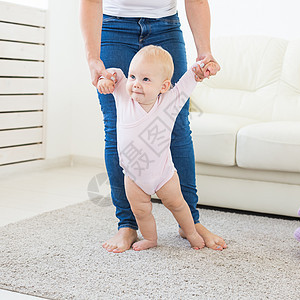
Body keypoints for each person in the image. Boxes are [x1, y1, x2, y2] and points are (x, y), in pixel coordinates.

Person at [80, 0, 227, 252]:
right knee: (115, 128)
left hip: (166, 26)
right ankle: (127, 225)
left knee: (178, 126)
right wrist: (93, 58)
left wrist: (205, 53)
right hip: (114, 28)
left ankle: (189, 222)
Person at [98, 45, 208, 250]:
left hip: (163, 173)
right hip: (133, 175)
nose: (136, 84)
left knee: (177, 204)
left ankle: (191, 231)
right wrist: (106, 79)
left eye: (146, 79)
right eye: (133, 76)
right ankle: (150, 238)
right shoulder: (123, 96)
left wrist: (201, 66)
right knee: (140, 210)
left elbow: (187, 82)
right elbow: (115, 74)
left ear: (164, 86)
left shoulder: (170, 102)